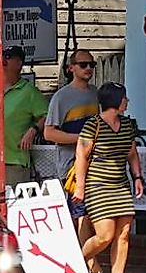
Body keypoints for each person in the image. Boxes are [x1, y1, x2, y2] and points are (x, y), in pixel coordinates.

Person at [72, 80, 144, 273]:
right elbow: (81, 156)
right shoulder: (93, 125)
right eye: (124, 98)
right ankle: (79, 262)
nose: (127, 101)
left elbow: (132, 153)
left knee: (124, 233)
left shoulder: (127, 125)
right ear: (116, 100)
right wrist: (80, 187)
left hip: (120, 184)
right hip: (98, 185)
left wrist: (137, 177)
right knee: (105, 234)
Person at [37, 51, 100, 184]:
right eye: (83, 65)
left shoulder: (95, 93)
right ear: (71, 68)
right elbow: (49, 133)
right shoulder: (61, 97)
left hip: (94, 164)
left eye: (92, 64)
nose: (88, 68)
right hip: (70, 166)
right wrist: (82, 138)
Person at [0, 48, 49, 192]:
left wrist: (33, 130)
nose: (3, 60)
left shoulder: (29, 92)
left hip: (14, 160)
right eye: (2, 56)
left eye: (8, 57)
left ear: (19, 63)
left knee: (13, 208)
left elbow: (47, 117)